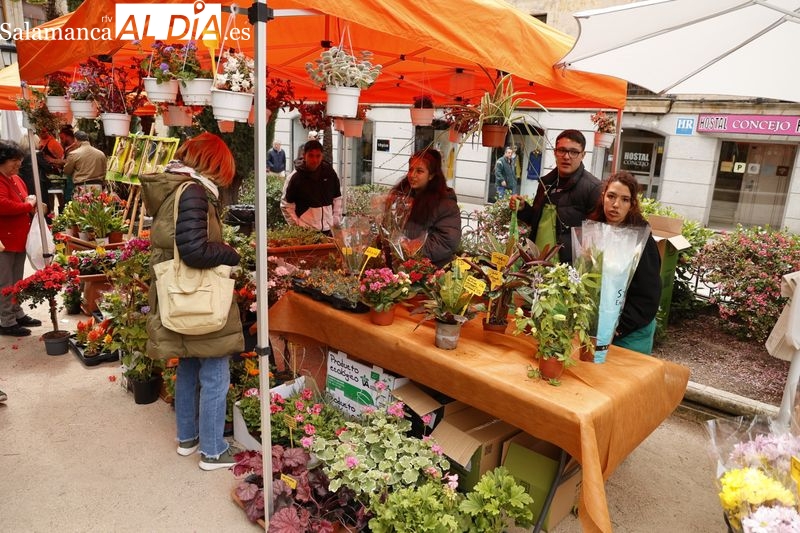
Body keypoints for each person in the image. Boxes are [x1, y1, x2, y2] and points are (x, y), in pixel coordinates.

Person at [140, 132, 243, 471]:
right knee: (215, 372)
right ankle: (213, 451)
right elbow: (194, 250)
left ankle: (188, 438)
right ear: (214, 162)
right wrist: (230, 253)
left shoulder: (175, 188)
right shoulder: (194, 192)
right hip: (201, 298)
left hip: (181, 297)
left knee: (188, 364)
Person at [589, 171, 661, 355]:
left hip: (630, 332)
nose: (616, 205)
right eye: (611, 196)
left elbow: (648, 296)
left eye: (624, 199)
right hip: (597, 326)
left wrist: (618, 327)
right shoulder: (593, 230)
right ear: (603, 196)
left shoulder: (641, 240)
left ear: (632, 204)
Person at [511, 129, 601, 264]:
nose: (566, 157)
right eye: (562, 150)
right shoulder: (546, 183)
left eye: (574, 152)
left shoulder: (593, 188)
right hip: (535, 262)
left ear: (583, 155)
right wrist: (523, 208)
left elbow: (596, 237)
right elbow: (536, 221)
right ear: (555, 152)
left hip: (566, 268)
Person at [386, 149, 461, 267]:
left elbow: (445, 242)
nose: (412, 175)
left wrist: (409, 249)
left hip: (429, 269)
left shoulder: (446, 205)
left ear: (431, 175)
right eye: (410, 169)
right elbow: (390, 228)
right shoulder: (402, 197)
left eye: (419, 171)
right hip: (399, 266)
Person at [0, 141, 43, 337]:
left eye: (19, 159)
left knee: (16, 280)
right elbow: (3, 205)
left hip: (18, 239)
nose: (18, 164)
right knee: (5, 282)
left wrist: (31, 204)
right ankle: (7, 320)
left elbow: (25, 199)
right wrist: (28, 205)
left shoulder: (16, 179)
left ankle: (17, 313)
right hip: (4, 241)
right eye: (14, 160)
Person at [281, 139, 342, 234]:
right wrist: (298, 227)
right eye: (311, 155)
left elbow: (337, 197)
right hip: (306, 232)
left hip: (329, 230)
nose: (315, 160)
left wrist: (335, 220)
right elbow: (286, 205)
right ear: (304, 156)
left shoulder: (329, 172)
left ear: (322, 156)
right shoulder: (295, 177)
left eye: (318, 156)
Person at [62, 131, 108, 198]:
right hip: (98, 187)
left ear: (76, 139)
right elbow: (105, 171)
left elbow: (67, 171)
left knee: (82, 205)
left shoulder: (74, 154)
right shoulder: (101, 154)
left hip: (82, 188)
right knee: (97, 204)